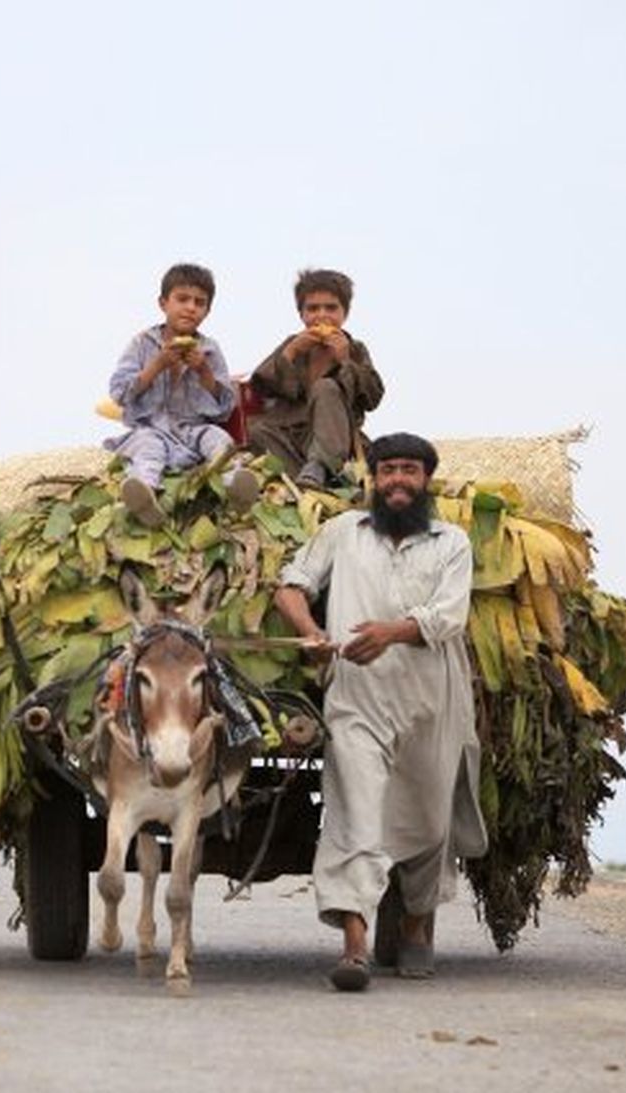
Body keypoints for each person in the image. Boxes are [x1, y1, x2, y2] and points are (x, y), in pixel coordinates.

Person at [272, 433, 487, 992]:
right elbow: (291, 586)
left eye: (408, 471)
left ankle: (416, 924)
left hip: (431, 701)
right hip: (357, 699)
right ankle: (355, 948)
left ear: (426, 481)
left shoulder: (452, 542)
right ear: (373, 478)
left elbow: (448, 617)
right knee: (356, 815)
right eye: (387, 470)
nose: (397, 480)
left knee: (428, 820)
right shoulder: (343, 533)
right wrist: (312, 632)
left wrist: (392, 633)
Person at [107, 263, 258, 527]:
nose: (190, 307)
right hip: (149, 427)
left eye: (199, 303)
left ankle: (235, 487)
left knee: (219, 439)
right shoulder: (142, 343)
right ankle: (145, 494)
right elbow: (120, 392)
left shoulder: (210, 350)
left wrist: (203, 370)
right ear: (163, 303)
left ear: (207, 311)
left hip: (192, 430)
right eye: (182, 299)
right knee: (149, 449)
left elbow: (224, 408)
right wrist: (157, 365)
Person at [247, 269, 385, 488]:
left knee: (325, 387)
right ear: (302, 314)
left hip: (335, 439)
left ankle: (322, 466)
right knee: (256, 429)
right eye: (312, 309)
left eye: (331, 308)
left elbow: (373, 397)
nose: (322, 315)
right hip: (292, 435)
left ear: (345, 313)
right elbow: (259, 385)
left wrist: (345, 361)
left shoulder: (355, 349)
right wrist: (290, 353)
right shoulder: (293, 344)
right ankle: (301, 480)